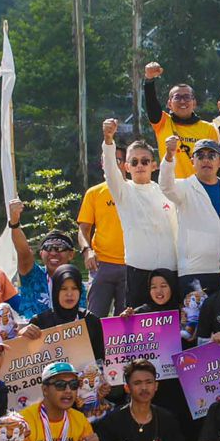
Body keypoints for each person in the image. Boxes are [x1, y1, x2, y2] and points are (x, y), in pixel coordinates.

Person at [97, 120, 181, 308]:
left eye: (144, 161)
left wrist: (170, 154)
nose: (139, 165)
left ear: (154, 165)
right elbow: (110, 171)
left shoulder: (167, 192)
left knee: (171, 330)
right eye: (134, 162)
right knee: (138, 329)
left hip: (170, 270)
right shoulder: (123, 191)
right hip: (138, 272)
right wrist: (108, 140)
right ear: (127, 167)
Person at [161, 135, 220, 298]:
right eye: (200, 156)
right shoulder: (183, 187)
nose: (206, 160)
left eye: (211, 156)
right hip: (195, 271)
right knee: (195, 322)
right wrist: (169, 156)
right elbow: (165, 186)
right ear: (192, 161)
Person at [94, 359, 190, 441]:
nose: (144, 388)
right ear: (127, 388)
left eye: (149, 382)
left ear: (156, 386)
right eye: (137, 383)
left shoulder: (166, 417)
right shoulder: (112, 420)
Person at [78, 134, 131, 316]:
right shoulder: (94, 193)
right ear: (102, 163)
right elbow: (83, 229)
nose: (112, 164)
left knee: (127, 320)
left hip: (131, 264)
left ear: (126, 164)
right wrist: (87, 251)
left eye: (117, 160)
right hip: (102, 264)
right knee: (94, 318)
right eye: (107, 159)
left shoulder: (136, 190)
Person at [143, 61, 219, 178]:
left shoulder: (208, 129)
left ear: (194, 103)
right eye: (177, 97)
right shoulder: (163, 123)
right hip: (171, 189)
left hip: (199, 189)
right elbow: (151, 104)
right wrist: (149, 80)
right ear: (169, 104)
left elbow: (214, 162)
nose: (182, 101)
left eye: (187, 97)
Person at [29, 264, 106, 368]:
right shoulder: (39, 322)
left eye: (74, 288)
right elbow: (28, 359)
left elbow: (100, 359)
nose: (69, 294)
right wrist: (23, 335)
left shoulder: (90, 320)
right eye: (64, 289)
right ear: (55, 291)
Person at [11, 206, 81, 318]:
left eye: (59, 248)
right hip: (32, 332)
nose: (53, 253)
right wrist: (14, 224)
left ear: (71, 254)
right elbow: (24, 253)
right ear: (41, 253)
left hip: (65, 333)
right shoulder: (33, 275)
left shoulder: (76, 283)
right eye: (48, 248)